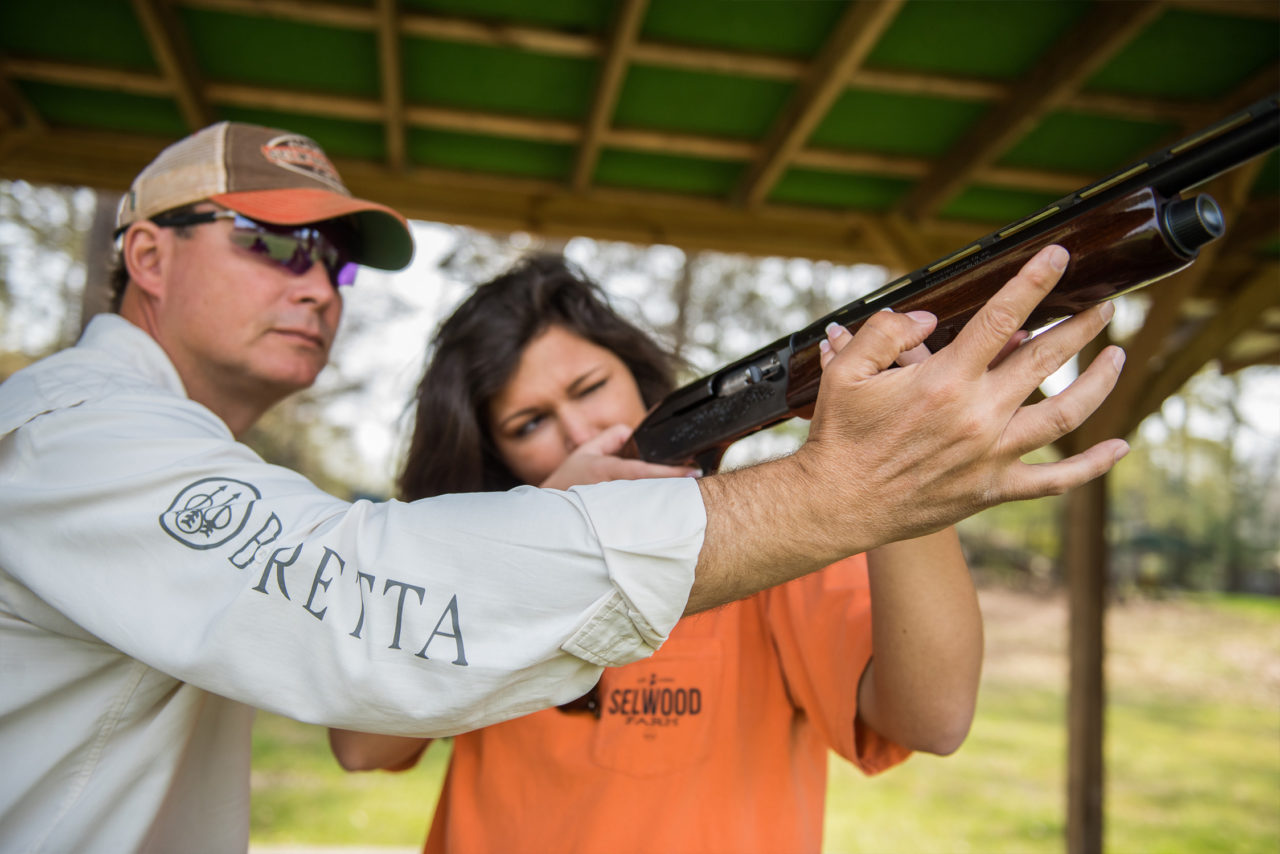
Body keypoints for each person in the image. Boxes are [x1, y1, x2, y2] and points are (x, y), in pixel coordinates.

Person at [0, 120, 1127, 853]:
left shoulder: (763, 535)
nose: (318, 286)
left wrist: (882, 487)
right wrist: (545, 520)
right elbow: (361, 711)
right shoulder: (85, 438)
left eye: (333, 259)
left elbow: (927, 716)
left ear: (645, 369)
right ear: (145, 258)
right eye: (272, 242)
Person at [329, 255, 984, 853]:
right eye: (529, 424)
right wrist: (534, 534)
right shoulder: (481, 562)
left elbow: (934, 720)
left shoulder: (773, 533)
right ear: (494, 458)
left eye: (589, 388)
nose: (580, 432)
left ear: (642, 383)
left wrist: (901, 470)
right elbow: (360, 746)